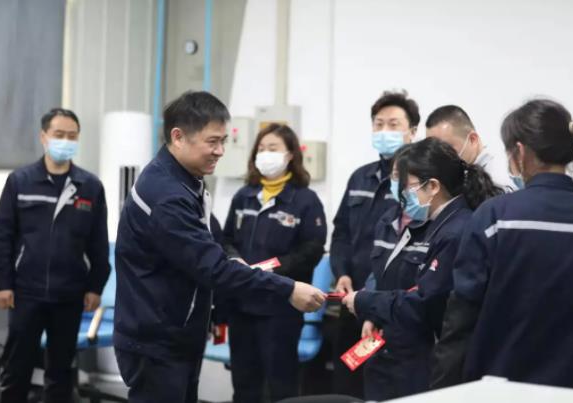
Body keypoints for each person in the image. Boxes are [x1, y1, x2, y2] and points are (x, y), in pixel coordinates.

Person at [113, 91, 326, 403]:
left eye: (224, 141)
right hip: (157, 339)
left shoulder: (186, 182)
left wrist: (235, 259)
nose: (221, 151)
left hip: (178, 331)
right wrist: (289, 289)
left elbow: (215, 239)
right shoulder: (167, 195)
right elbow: (212, 267)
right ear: (178, 137)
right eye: (212, 142)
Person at [431, 99, 573, 389]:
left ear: (520, 153)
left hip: (503, 385)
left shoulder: (495, 217)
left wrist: (443, 387)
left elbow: (461, 320)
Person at [342, 137, 501, 401]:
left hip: (430, 355)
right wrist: (375, 312)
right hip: (399, 345)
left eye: (407, 186)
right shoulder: (436, 224)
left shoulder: (455, 230)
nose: (401, 195)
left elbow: (426, 302)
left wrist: (365, 301)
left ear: (433, 186)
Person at [0, 108, 110, 403]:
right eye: (59, 134)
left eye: (72, 136)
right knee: (16, 369)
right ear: (44, 137)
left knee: (61, 373)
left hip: (69, 295)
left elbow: (98, 244)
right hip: (25, 293)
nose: (65, 141)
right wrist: (2, 283)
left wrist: (95, 287)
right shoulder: (20, 181)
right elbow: (1, 237)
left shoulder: (89, 187)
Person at [223, 124, 327, 403]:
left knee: (281, 386)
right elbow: (226, 238)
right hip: (242, 304)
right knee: (244, 384)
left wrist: (272, 267)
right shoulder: (244, 195)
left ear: (290, 155)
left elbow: (312, 249)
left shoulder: (305, 200)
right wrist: (234, 258)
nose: (265, 153)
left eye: (273, 148)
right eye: (261, 148)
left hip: (281, 306)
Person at [330, 90, 419, 397]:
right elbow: (341, 231)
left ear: (412, 131)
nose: (384, 131)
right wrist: (341, 272)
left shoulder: (417, 185)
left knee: (382, 385)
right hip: (350, 296)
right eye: (378, 124)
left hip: (388, 301)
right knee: (346, 381)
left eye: (393, 124)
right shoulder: (360, 178)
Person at [425, 105, 515, 191]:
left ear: (473, 139)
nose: (439, 157)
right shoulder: (461, 177)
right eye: (433, 150)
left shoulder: (498, 181)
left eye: (446, 149)